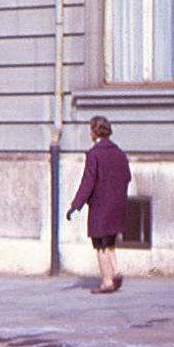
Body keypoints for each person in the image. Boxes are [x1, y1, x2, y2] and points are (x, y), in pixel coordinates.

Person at [68, 115, 132, 294]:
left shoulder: (94, 154)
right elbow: (127, 177)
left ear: (95, 131)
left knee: (100, 244)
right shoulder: (119, 153)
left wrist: (76, 205)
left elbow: (88, 182)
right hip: (117, 204)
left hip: (100, 205)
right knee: (110, 242)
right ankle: (116, 271)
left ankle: (106, 281)